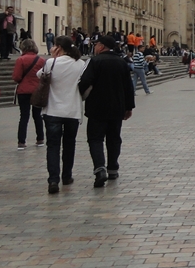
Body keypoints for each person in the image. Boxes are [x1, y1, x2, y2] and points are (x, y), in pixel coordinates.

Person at [78, 36, 135, 187]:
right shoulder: (122, 62)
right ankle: (113, 168)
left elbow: (84, 81)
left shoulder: (94, 61)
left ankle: (99, 168)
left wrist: (80, 95)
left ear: (102, 46)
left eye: (96, 44)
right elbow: (128, 86)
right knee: (114, 138)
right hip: (117, 107)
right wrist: (129, 107)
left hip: (97, 108)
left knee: (95, 139)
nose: (95, 47)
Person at [39, 36, 87, 194]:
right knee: (69, 144)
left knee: (53, 146)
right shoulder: (80, 64)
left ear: (58, 47)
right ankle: (67, 175)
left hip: (53, 110)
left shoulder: (51, 63)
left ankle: (53, 179)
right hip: (72, 111)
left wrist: (53, 58)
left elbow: (40, 75)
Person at [12, 39, 46, 150]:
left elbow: (16, 77)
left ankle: (21, 141)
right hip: (37, 90)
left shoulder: (20, 60)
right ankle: (40, 138)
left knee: (24, 116)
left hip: (24, 91)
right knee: (37, 115)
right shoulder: (41, 60)